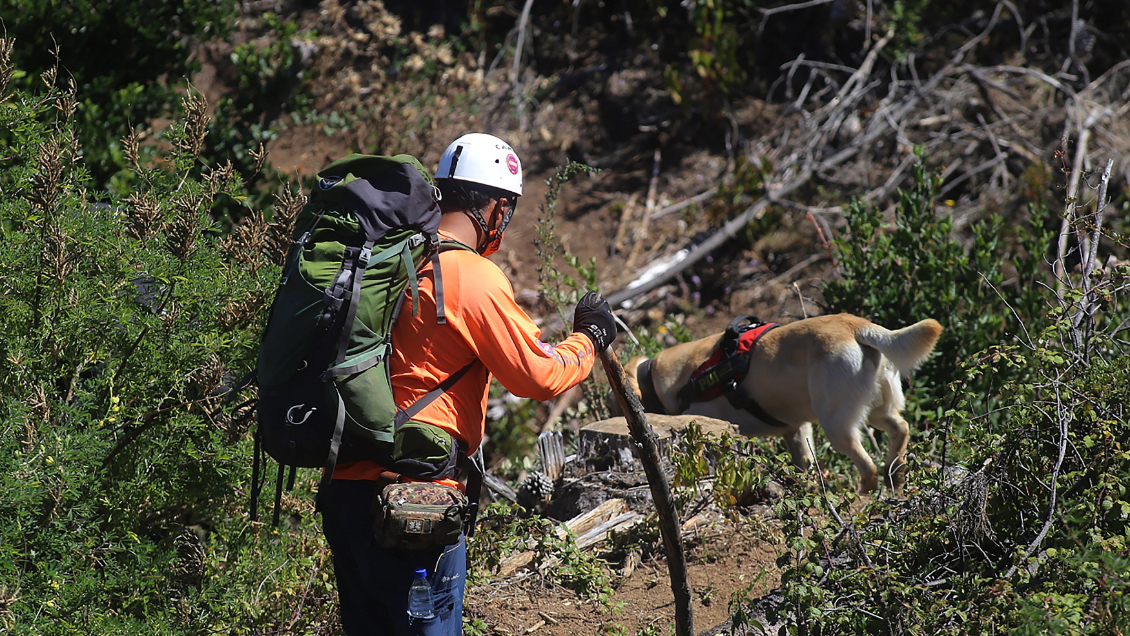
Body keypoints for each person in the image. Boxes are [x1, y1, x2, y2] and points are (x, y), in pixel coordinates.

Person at [317, 133, 618, 636]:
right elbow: (540, 374)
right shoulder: (470, 276)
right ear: (498, 208)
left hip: (343, 490)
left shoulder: (383, 263)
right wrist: (588, 339)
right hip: (416, 503)